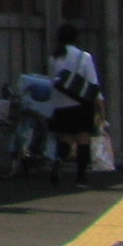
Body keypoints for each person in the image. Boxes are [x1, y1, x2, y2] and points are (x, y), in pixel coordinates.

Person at [48, 26, 104, 185]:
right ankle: (81, 177)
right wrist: (100, 107)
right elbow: (93, 84)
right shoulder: (84, 57)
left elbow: (52, 82)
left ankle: (58, 160)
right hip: (80, 104)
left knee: (66, 137)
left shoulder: (54, 58)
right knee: (82, 139)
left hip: (61, 105)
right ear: (75, 38)